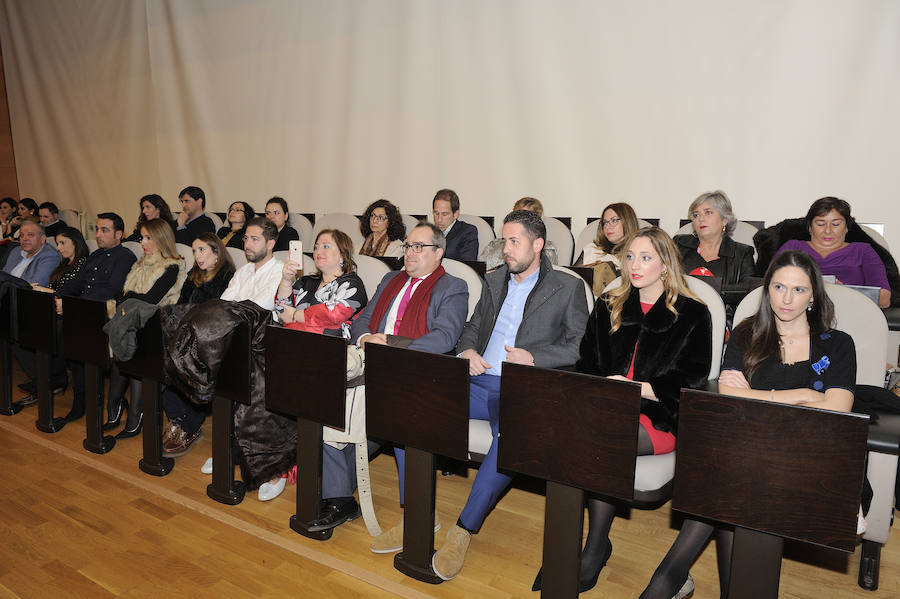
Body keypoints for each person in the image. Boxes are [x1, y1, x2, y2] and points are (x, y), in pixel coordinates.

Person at [639, 250, 856, 599]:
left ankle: (669, 578)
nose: (787, 299)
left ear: (814, 294)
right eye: (779, 287)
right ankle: (688, 582)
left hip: (807, 454)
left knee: (728, 482)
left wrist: (754, 394)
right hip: (747, 446)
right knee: (732, 476)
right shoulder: (746, 333)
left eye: (798, 290)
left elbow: (838, 408)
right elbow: (728, 393)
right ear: (766, 289)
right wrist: (801, 393)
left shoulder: (838, 343)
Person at [533, 227, 712, 594]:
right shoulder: (610, 303)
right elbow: (586, 364)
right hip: (606, 410)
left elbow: (692, 383)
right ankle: (592, 546)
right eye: (629, 256)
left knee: (599, 442)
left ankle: (594, 548)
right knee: (570, 432)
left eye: (646, 258)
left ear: (665, 264)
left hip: (658, 416)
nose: (634, 265)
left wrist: (638, 389)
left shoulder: (693, 314)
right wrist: (603, 392)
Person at [427, 210, 589, 581]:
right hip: (478, 378)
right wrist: (467, 351)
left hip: (521, 387)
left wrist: (535, 357)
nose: (506, 249)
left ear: (538, 245)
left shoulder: (566, 287)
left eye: (514, 241)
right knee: (417, 402)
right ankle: (418, 510)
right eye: (504, 240)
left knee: (512, 433)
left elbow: (579, 346)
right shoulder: (495, 279)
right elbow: (472, 326)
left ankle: (463, 530)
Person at [316, 223, 469, 533]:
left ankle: (337, 495)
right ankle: (340, 499)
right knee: (327, 411)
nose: (409, 253)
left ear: (438, 253)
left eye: (418, 247)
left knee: (364, 419)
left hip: (413, 369)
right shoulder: (391, 279)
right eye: (407, 246)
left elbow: (444, 338)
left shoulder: (453, 286)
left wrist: (390, 346)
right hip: (369, 362)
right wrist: (364, 340)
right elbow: (365, 319)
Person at [247, 229, 368, 502]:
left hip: (331, 356)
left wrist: (297, 316)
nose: (319, 250)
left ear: (343, 255)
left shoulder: (352, 283)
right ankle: (273, 461)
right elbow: (279, 312)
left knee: (282, 388)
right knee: (260, 389)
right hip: (295, 353)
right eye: (316, 246)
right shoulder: (306, 283)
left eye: (327, 245)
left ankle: (285, 465)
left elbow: (336, 315)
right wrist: (287, 282)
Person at [16, 213, 137, 421]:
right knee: (41, 321)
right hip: (81, 308)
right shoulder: (96, 256)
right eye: (97, 229)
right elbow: (76, 284)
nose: (98, 234)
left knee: (64, 328)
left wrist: (72, 305)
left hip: (103, 310)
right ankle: (59, 385)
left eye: (104, 230)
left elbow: (111, 289)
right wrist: (57, 297)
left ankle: (73, 392)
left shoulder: (125, 256)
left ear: (119, 234)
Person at [104, 218, 186, 439]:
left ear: (162, 239)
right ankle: (113, 413)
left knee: (131, 355)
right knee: (119, 357)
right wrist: (127, 299)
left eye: (149, 238)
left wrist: (128, 298)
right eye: (142, 237)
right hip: (133, 322)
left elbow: (152, 299)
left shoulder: (173, 265)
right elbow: (125, 296)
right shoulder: (140, 263)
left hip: (157, 324)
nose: (143, 242)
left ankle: (134, 418)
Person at [160, 233, 235, 457]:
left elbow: (219, 315)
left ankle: (189, 426)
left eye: (202, 250)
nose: (197, 255)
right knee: (163, 364)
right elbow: (181, 305)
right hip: (185, 333)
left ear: (216, 252)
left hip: (209, 339)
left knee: (191, 368)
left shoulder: (227, 276)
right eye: (194, 251)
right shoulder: (194, 274)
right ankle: (177, 420)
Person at [774, 197, 891, 308]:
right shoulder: (792, 247)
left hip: (850, 312)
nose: (828, 230)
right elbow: (770, 285)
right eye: (820, 224)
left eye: (835, 224)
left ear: (846, 227)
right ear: (810, 227)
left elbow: (884, 299)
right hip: (798, 312)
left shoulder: (863, 251)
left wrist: (843, 291)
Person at [673, 190, 755, 285]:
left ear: (724, 219)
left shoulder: (742, 254)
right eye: (696, 215)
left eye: (708, 212)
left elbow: (746, 294)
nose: (701, 219)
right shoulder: (678, 244)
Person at [219, 216, 284, 310]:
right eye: (246, 238)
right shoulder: (242, 271)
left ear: (270, 244)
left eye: (254, 239)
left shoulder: (280, 272)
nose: (247, 245)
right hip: (232, 321)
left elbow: (258, 309)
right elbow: (223, 304)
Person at [576, 202, 640, 295]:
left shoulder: (636, 254)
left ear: (627, 222)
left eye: (614, 220)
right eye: (605, 222)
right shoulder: (591, 249)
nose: (608, 226)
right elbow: (571, 278)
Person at [478, 197, 559, 270]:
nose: (506, 250)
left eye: (523, 218)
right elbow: (479, 270)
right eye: (515, 215)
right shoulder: (494, 244)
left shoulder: (547, 249)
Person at [2, 219, 61, 287]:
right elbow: (3, 275)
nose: (25, 239)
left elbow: (34, 285)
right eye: (21, 235)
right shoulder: (16, 251)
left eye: (30, 235)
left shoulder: (50, 256)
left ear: (42, 239)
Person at [433, 188, 478, 261]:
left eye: (444, 214)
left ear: (456, 214)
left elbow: (467, 265)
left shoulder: (468, 232)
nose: (439, 219)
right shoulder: (428, 232)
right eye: (436, 213)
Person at [45, 227, 89, 291]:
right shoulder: (63, 264)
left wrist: (47, 291)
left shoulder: (84, 265)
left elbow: (72, 292)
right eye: (57, 244)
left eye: (62, 243)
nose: (58, 248)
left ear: (75, 242)